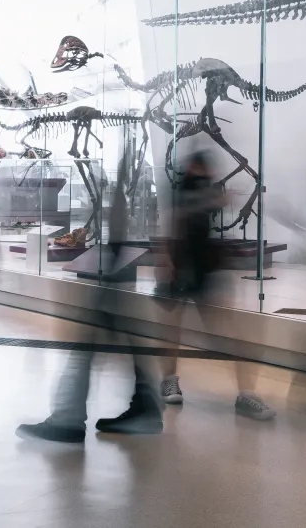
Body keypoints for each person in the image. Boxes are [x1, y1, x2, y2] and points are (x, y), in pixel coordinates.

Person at [17, 168, 164, 442]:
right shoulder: (128, 157)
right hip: (117, 260)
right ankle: (145, 408)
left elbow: (123, 212)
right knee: (112, 342)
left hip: (117, 263)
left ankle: (67, 419)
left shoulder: (130, 159)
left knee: (87, 345)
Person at [145, 152, 276, 422]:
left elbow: (191, 219)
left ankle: (246, 393)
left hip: (203, 267)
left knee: (228, 332)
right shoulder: (183, 192)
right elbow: (172, 224)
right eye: (197, 167)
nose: (200, 172)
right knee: (172, 330)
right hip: (183, 266)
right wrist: (166, 260)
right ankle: (169, 380)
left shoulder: (204, 191)